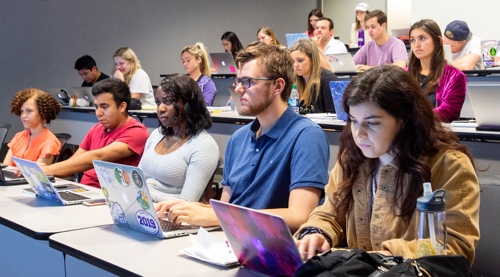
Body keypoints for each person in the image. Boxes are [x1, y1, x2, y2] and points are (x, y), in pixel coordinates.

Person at [295, 65, 479, 264]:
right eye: (353, 121)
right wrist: (317, 232)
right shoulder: (353, 157)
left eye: (372, 123)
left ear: (405, 120)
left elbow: (455, 248)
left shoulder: (449, 166)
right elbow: (330, 212)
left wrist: (383, 257)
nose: (359, 134)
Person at [156, 44, 330, 232]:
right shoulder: (238, 138)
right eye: (238, 81)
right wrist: (194, 208)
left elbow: (300, 216)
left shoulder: (306, 136)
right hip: (230, 238)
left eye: (248, 81)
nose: (238, 89)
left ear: (278, 86)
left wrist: (217, 216)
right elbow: (227, 207)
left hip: (270, 247)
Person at [41, 78, 149, 188]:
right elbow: (72, 163)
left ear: (122, 106)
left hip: (111, 198)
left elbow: (98, 156)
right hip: (85, 191)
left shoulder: (137, 132)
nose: (98, 113)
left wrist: (48, 169)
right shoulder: (96, 129)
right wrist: (41, 171)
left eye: (104, 107)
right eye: (96, 107)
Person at [139, 74, 220, 202]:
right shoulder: (157, 134)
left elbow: (188, 202)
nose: (160, 108)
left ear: (188, 104)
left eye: (167, 102)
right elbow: (137, 179)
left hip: (172, 215)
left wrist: (144, 196)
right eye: (158, 102)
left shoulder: (204, 145)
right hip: (143, 206)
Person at [408, 19, 466, 122]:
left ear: (438, 41)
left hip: (436, 134)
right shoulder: (404, 74)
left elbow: (449, 112)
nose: (416, 44)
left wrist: (411, 115)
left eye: (422, 38)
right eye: (412, 40)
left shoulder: (455, 76)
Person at [3, 88, 62, 166]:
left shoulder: (50, 143)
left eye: (29, 111)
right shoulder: (18, 136)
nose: (23, 116)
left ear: (42, 113)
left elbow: (35, 174)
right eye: (22, 111)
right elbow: (5, 167)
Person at [290, 39, 337, 114]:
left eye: (300, 60)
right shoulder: (293, 81)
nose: (295, 65)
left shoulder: (328, 80)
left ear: (312, 59)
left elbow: (333, 118)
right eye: (292, 61)